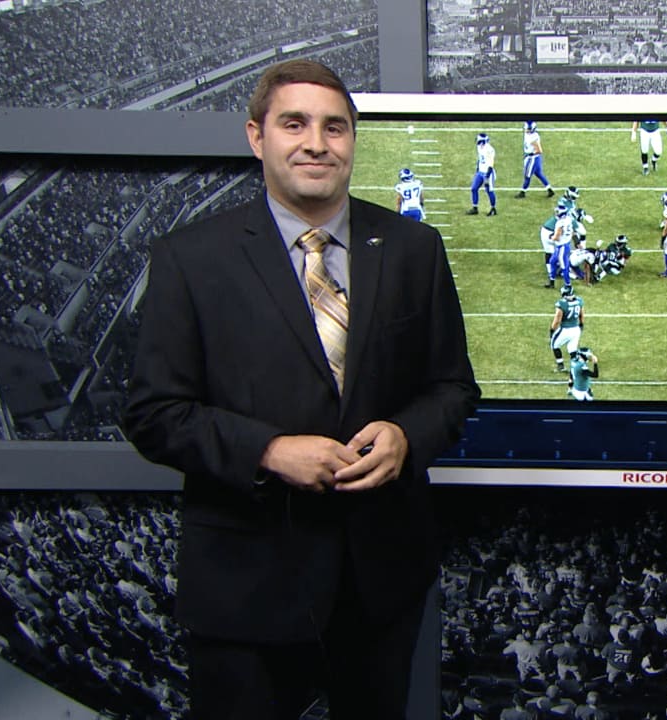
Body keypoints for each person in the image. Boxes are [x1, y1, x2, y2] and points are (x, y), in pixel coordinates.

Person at [122, 59, 480, 720]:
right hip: (245, 583)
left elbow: (453, 388)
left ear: (352, 140)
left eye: (335, 127)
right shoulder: (189, 258)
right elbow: (153, 413)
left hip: (379, 580)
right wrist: (268, 451)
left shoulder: (413, 248)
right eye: (295, 124)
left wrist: (407, 436)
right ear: (257, 136)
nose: (317, 142)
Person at [516, 120, 554, 198]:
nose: (526, 129)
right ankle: (549, 189)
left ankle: (523, 192)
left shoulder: (533, 137)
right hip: (535, 158)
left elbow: (539, 150)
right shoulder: (530, 134)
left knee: (527, 176)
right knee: (539, 174)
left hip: (532, 158)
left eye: (528, 128)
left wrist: (530, 154)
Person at [550, 283, 583, 373]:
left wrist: (552, 330)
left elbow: (557, 319)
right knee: (572, 349)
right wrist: (581, 324)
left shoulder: (562, 304)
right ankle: (575, 368)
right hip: (576, 329)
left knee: (554, 345)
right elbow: (581, 314)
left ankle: (561, 366)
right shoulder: (579, 301)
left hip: (565, 329)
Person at [468, 132, 497, 216]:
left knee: (489, 191)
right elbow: (480, 159)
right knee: (474, 188)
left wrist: (487, 177)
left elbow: (491, 165)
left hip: (487, 173)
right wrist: (477, 169)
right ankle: (475, 208)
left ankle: (493, 208)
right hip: (480, 172)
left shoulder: (490, 150)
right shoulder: (479, 147)